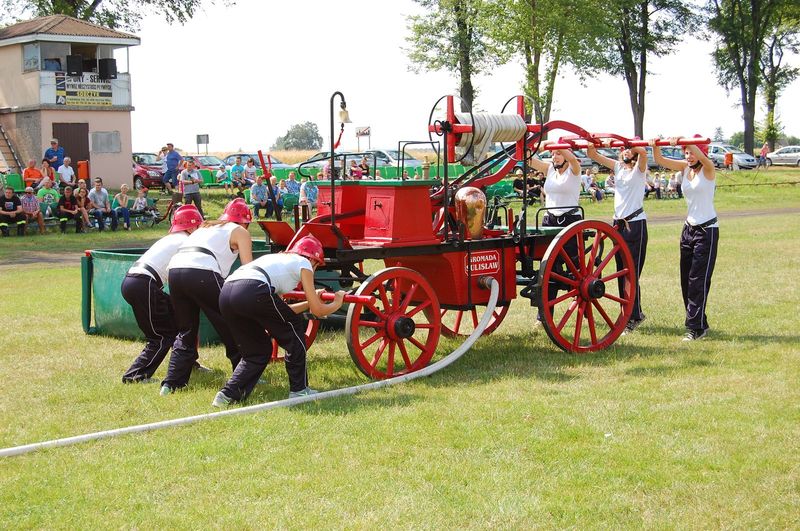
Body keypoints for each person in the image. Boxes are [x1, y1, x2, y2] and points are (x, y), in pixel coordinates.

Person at [213, 235, 346, 406]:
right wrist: (337, 302)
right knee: (294, 331)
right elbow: (318, 311)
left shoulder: (276, 260)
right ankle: (299, 390)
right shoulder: (304, 263)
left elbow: (279, 312)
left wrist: (309, 301)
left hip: (227, 293)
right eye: (317, 265)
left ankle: (227, 394)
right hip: (253, 290)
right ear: (313, 259)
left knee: (257, 351)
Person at [160, 198, 254, 395]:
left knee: (186, 331)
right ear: (245, 221)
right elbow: (248, 269)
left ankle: (171, 384)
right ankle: (244, 374)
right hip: (202, 271)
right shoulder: (240, 232)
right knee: (232, 323)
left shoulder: (206, 227)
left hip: (175, 271)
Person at [121, 205, 205, 383]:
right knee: (161, 336)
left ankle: (189, 362)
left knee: (179, 323)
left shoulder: (173, 238)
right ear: (190, 227)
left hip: (136, 282)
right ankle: (134, 376)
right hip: (144, 284)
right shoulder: (186, 242)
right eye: (198, 226)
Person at [652, 136, 717, 341]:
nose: (688, 156)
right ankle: (699, 322)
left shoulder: (708, 169)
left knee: (698, 280)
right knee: (686, 280)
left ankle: (695, 328)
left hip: (706, 231)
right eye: (685, 153)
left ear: (700, 151)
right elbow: (661, 160)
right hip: (688, 229)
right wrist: (655, 146)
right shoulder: (685, 168)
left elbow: (701, 156)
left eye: (691, 152)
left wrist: (683, 140)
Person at [587, 143, 649, 333]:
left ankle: (632, 316)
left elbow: (644, 153)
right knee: (621, 272)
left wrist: (634, 148)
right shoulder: (617, 167)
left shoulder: (640, 169)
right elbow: (593, 155)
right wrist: (593, 145)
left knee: (631, 273)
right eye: (623, 148)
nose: (625, 151)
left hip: (635, 224)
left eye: (629, 148)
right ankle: (631, 313)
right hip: (618, 225)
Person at [527, 143, 582, 322]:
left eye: (558, 153)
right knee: (548, 268)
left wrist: (556, 144)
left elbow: (573, 159)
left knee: (575, 267)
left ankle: (581, 301)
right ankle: (543, 316)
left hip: (570, 221)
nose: (554, 156)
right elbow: (529, 159)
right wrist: (533, 146)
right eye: (553, 153)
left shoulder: (574, 169)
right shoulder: (550, 168)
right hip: (549, 220)